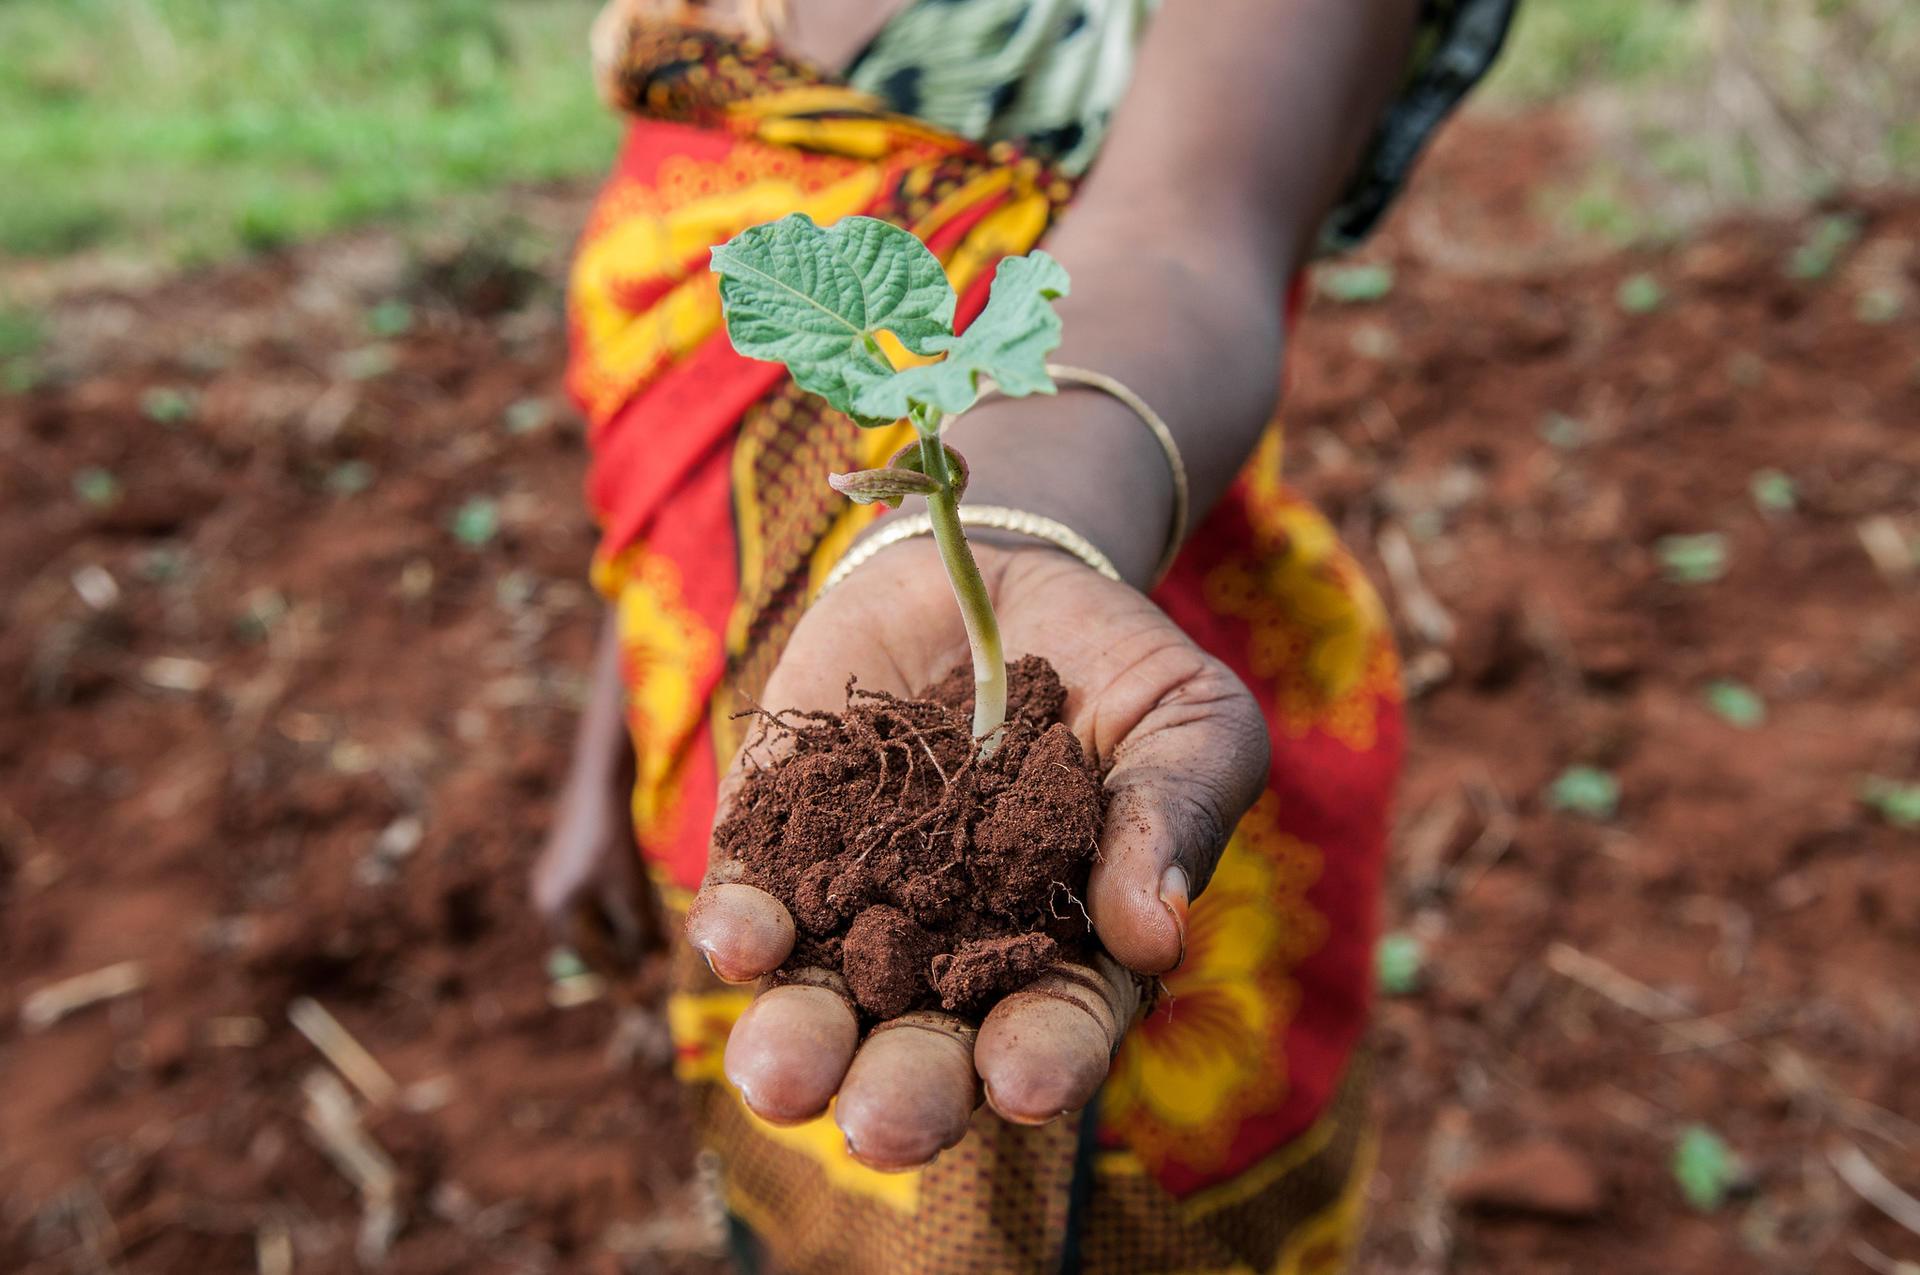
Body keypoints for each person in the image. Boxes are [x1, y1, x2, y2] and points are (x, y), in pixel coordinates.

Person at [535, 2, 1515, 1270]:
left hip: (1104, 651)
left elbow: (1184, 242)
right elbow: (681, 427)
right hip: (739, 757)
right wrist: (599, 768)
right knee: (792, 1126)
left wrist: (1011, 520)